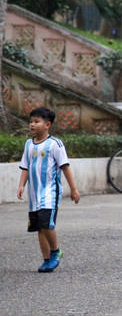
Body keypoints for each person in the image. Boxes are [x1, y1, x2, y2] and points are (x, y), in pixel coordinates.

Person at [17, 107, 80, 273]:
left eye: (36, 121)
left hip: (50, 192)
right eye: (31, 121)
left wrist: (74, 189)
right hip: (33, 194)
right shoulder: (28, 144)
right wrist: (21, 185)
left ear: (47, 125)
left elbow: (65, 167)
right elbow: (25, 166)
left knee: (47, 224)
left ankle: (55, 251)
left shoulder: (55, 144)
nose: (32, 124)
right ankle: (46, 260)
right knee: (39, 227)